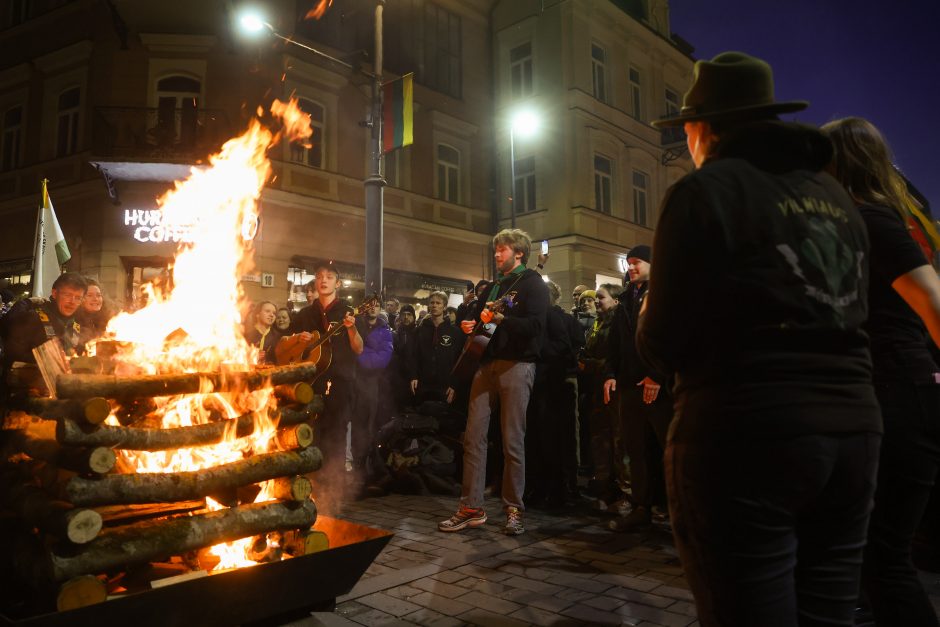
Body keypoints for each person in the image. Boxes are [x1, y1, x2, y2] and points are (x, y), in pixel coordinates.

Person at [639, 52, 881, 625]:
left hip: (747, 430)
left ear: (705, 127)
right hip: (852, 430)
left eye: (687, 128)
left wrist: (652, 307)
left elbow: (663, 341)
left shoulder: (706, 190)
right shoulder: (835, 196)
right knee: (828, 611)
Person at [823, 116, 940, 627]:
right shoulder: (859, 220)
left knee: (884, 558)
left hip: (899, 391)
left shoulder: (873, 220)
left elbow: (934, 305)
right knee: (874, 556)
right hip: (885, 391)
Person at [439, 228, 549, 536]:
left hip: (517, 364)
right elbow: (477, 321)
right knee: (473, 436)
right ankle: (471, 507)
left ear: (519, 253)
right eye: (496, 249)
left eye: (502, 249)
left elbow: (537, 326)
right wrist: (468, 324)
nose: (497, 254)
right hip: (485, 363)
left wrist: (503, 321)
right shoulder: (495, 286)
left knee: (511, 439)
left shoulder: (532, 283)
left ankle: (513, 509)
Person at [604, 246, 673, 531]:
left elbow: (670, 338)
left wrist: (656, 376)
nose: (631, 267)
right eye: (629, 263)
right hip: (630, 386)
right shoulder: (626, 299)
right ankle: (643, 506)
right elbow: (617, 342)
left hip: (657, 387)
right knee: (637, 449)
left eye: (637, 263)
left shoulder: (664, 295)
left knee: (666, 448)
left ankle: (672, 509)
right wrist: (610, 373)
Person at [284, 263, 363, 509]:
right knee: (310, 435)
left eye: (329, 277)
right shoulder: (305, 314)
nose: (323, 280)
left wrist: (351, 330)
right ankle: (308, 490)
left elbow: (359, 348)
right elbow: (285, 346)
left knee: (336, 437)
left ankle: (334, 496)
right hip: (311, 383)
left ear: (337, 284)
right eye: (319, 277)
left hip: (340, 383)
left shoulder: (349, 312)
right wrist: (298, 339)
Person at [525, 280, 579, 508]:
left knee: (551, 441)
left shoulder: (552, 315)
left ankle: (556, 491)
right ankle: (540, 488)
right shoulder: (537, 315)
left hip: (549, 385)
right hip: (537, 385)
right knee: (536, 439)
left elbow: (563, 346)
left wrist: (537, 351)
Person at [578, 284, 620, 506]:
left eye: (601, 297)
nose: (596, 301)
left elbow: (614, 357)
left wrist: (591, 365)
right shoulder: (598, 323)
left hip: (611, 389)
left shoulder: (617, 324)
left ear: (615, 300)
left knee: (615, 441)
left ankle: (621, 493)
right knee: (600, 440)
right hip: (596, 389)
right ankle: (604, 488)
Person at [1, 272, 87, 369]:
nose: (72, 302)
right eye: (67, 295)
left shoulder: (78, 325)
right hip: (31, 382)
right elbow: (11, 356)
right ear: (54, 294)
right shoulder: (32, 318)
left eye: (78, 298)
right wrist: (44, 359)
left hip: (66, 382)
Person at [353, 303, 393, 484]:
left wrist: (360, 357)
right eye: (369, 305)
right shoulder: (357, 325)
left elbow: (383, 357)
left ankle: (365, 466)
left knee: (368, 423)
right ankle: (354, 464)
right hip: (353, 381)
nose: (372, 309)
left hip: (371, 382)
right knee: (353, 424)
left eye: (377, 306)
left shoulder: (385, 331)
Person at [407, 291, 461, 406]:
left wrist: (454, 384)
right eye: (432, 303)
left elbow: (459, 360)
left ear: (444, 306)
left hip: (445, 385)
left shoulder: (454, 332)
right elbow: (413, 356)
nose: (434, 305)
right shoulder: (419, 330)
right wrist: (413, 376)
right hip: (422, 383)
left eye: (438, 303)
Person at [75, 277, 114, 346]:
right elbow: (74, 345)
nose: (95, 299)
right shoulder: (74, 322)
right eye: (89, 295)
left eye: (98, 295)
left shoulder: (108, 320)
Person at [244, 300, 280, 365]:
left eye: (274, 313)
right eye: (267, 311)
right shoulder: (246, 334)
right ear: (257, 314)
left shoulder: (277, 336)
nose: (272, 315)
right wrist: (252, 355)